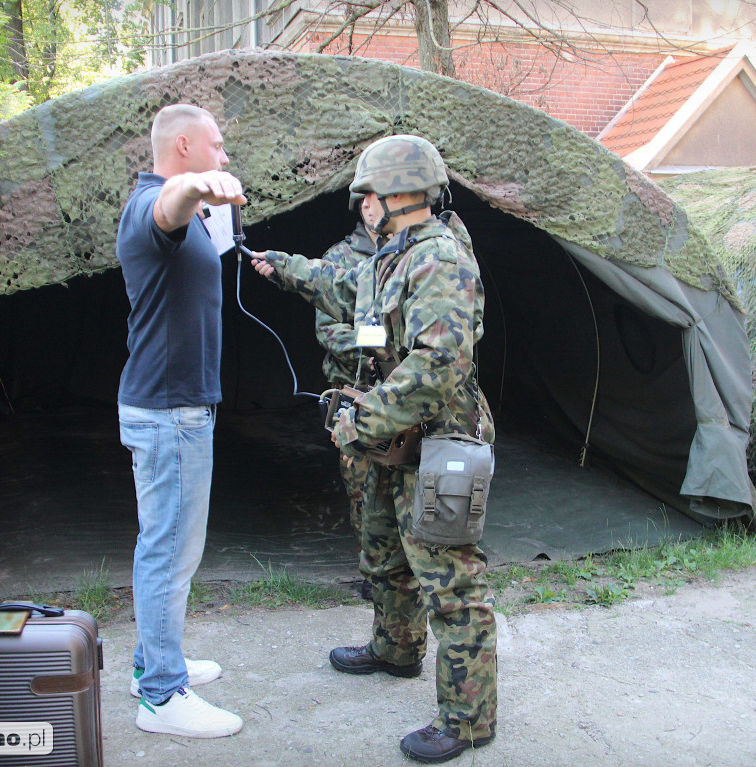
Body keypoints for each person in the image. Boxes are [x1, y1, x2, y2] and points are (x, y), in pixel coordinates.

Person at [251, 135, 498, 763]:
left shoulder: (439, 258)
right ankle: (395, 649)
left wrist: (364, 417)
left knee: (450, 581)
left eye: (369, 192)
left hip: (440, 446)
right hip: (394, 441)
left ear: (393, 195)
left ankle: (468, 721)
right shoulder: (395, 254)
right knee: (385, 551)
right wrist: (282, 266)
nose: (363, 203)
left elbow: (441, 361)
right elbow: (347, 289)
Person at [116, 104, 246, 739]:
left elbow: (184, 208)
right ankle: (162, 698)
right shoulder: (152, 207)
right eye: (216, 149)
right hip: (169, 415)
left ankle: (154, 660)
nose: (224, 158)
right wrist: (198, 185)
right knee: (168, 553)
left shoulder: (189, 216)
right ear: (186, 146)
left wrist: (204, 198)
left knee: (171, 549)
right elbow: (168, 203)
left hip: (178, 410)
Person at [313, 197, 379, 599]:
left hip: (402, 393)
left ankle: (403, 575)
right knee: (361, 486)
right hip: (356, 393)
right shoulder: (339, 257)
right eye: (367, 203)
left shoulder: (412, 254)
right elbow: (328, 328)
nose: (374, 210)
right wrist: (371, 352)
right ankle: (373, 572)